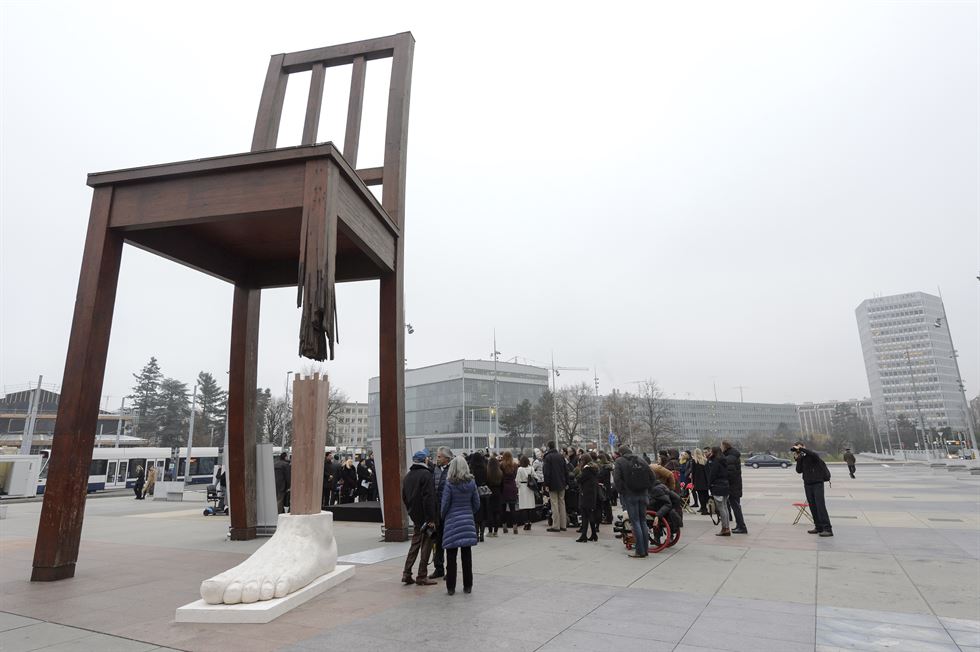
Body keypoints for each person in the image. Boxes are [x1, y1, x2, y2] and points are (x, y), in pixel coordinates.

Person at [440, 455, 480, 595]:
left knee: (451, 557)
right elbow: (477, 504)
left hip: (452, 523)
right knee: (466, 556)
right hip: (467, 521)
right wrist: (468, 513)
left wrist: (444, 516)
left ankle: (451, 587)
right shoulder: (471, 483)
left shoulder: (450, 484)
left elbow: (444, 505)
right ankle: (468, 586)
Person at [401, 449, 438, 586]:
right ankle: (422, 575)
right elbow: (429, 498)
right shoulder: (426, 475)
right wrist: (431, 519)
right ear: (425, 460)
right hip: (426, 518)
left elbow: (404, 497)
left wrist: (412, 513)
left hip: (416, 517)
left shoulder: (408, 476)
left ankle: (407, 572)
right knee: (426, 545)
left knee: (414, 544)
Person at [614, 445, 654, 558]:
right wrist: (647, 490)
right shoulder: (641, 460)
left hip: (630, 494)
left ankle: (639, 551)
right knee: (643, 521)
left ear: (620, 453)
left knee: (635, 522)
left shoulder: (619, 461)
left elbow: (617, 479)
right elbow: (652, 476)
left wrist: (623, 491)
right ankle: (645, 550)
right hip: (643, 494)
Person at [793, 442, 833, 537]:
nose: (798, 449)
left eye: (800, 447)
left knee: (820, 506)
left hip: (817, 483)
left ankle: (827, 529)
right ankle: (818, 527)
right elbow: (799, 471)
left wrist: (801, 449)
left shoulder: (812, 455)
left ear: (804, 447)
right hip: (807, 484)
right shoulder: (802, 458)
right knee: (813, 506)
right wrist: (798, 458)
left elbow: (813, 454)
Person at [429, 447, 452, 579]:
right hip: (436, 511)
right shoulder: (435, 470)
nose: (437, 459)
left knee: (448, 542)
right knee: (436, 541)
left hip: (447, 512)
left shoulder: (451, 471)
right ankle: (438, 567)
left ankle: (450, 569)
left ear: (446, 458)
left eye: (439, 457)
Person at [721, 441, 747, 534]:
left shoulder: (730, 458)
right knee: (736, 507)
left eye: (721, 446)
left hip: (733, 487)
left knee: (736, 507)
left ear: (725, 446)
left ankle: (742, 526)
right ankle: (739, 525)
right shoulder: (732, 455)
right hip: (736, 486)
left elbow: (730, 474)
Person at [542, 441, 568, 532]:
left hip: (552, 483)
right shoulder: (561, 456)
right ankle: (563, 524)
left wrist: (546, 484)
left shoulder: (547, 457)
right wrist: (566, 482)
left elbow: (546, 472)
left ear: (548, 447)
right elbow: (566, 470)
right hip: (562, 483)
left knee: (554, 504)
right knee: (562, 503)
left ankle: (556, 525)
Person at [706, 446, 730, 536]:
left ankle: (725, 528)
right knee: (725, 507)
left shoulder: (715, 461)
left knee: (721, 508)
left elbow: (712, 474)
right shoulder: (724, 460)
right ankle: (726, 527)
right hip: (725, 485)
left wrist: (709, 485)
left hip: (717, 486)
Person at [575, 455, 599, 542]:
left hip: (585, 494)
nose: (580, 462)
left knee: (585, 514)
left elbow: (579, 479)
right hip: (591, 493)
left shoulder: (587, 469)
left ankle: (584, 535)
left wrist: (578, 472)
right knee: (589, 514)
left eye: (581, 460)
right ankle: (593, 534)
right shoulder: (593, 468)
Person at [468, 451, 489, 541]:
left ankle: (476, 534)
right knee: (484, 514)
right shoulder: (485, 468)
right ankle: (482, 535)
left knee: (476, 514)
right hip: (483, 493)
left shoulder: (471, 469)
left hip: (474, 492)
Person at [500, 451, 519, 534]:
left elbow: (500, 476)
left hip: (503, 488)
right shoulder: (515, 465)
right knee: (513, 509)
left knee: (503, 509)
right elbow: (515, 476)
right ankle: (515, 527)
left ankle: (504, 527)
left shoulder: (501, 465)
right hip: (512, 487)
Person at [515, 455, 536, 531]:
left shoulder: (520, 469)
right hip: (530, 488)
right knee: (530, 507)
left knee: (523, 507)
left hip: (522, 488)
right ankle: (530, 522)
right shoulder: (531, 468)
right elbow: (535, 477)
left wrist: (518, 487)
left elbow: (517, 480)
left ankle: (526, 523)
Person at [485, 454, 503, 536]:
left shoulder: (487, 472)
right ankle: (496, 531)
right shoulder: (500, 473)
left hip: (489, 493)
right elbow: (502, 485)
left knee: (490, 513)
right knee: (497, 513)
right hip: (498, 492)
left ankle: (490, 531)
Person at [596, 452, 614, 524]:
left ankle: (608, 518)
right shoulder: (607, 467)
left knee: (606, 504)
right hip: (607, 487)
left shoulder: (604, 468)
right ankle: (609, 517)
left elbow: (601, 477)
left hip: (604, 487)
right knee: (607, 504)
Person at [690, 448, 709, 513]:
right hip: (705, 481)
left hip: (698, 481)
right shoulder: (705, 460)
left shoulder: (694, 461)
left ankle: (703, 508)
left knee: (700, 495)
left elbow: (693, 472)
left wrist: (693, 481)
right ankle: (705, 508)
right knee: (705, 495)